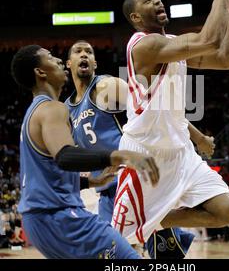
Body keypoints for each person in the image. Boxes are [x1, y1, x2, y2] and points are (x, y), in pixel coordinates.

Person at [112, 0, 229, 245]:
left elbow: (225, 59)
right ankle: (141, 225)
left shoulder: (172, 45)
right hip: (146, 155)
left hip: (181, 152)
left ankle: (157, 220)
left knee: (227, 211)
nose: (157, 0)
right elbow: (208, 39)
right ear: (135, 17)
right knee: (119, 247)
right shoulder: (142, 46)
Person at [65, 40, 215, 258]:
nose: (84, 55)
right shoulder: (68, 109)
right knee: (111, 256)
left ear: (95, 63)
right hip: (108, 193)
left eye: (89, 51)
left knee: (166, 258)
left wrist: (198, 138)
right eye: (78, 51)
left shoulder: (105, 87)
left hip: (137, 182)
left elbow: (156, 108)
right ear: (69, 63)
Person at [10, 44, 159, 259]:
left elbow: (47, 172)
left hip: (40, 221)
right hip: (60, 216)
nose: (59, 61)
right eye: (51, 58)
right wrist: (118, 155)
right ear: (40, 72)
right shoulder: (53, 109)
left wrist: (91, 183)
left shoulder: (34, 112)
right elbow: (65, 157)